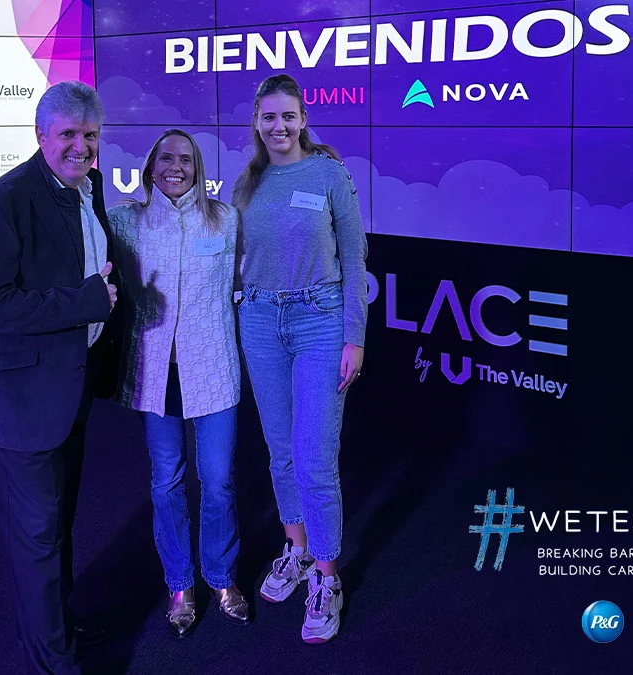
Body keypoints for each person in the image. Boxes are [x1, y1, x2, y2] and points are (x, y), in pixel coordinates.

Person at [0, 80, 122, 675]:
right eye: (69, 135)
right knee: (37, 540)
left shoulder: (87, 187)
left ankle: (59, 624)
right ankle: (54, 665)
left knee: (57, 528)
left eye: (91, 135)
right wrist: (84, 303)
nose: (82, 147)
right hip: (16, 404)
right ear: (39, 135)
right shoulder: (5, 202)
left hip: (66, 390)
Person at [231, 74, 367, 645]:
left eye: (288, 116)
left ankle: (327, 575)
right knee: (281, 450)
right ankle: (297, 550)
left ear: (303, 118)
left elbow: (357, 256)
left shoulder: (330, 174)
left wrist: (354, 337)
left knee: (314, 454)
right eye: (268, 118)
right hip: (260, 322)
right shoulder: (247, 184)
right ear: (257, 122)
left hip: (320, 320)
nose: (279, 127)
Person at [107, 130, 247, 638]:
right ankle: (180, 584)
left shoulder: (224, 219)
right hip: (155, 372)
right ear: (150, 166)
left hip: (212, 369)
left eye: (185, 159)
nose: (175, 166)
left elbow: (241, 281)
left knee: (219, 479)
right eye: (166, 157)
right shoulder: (127, 222)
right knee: (166, 483)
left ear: (198, 167)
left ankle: (221, 576)